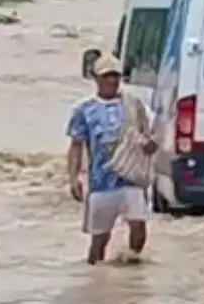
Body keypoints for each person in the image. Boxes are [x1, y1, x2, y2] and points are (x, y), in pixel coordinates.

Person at [66, 53, 155, 264]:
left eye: (116, 75)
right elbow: (76, 146)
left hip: (131, 178)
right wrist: (73, 178)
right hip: (101, 183)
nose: (112, 81)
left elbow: (146, 135)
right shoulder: (84, 110)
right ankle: (95, 276)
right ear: (95, 78)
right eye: (106, 76)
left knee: (138, 225)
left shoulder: (133, 105)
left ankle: (132, 266)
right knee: (100, 239)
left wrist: (150, 146)